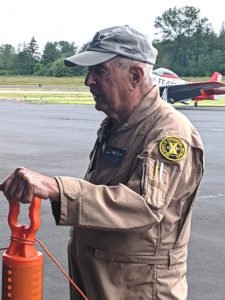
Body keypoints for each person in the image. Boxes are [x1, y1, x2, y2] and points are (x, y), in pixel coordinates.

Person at [0, 25, 204, 300]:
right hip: (103, 282)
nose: (88, 81)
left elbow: (144, 205)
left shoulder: (168, 133)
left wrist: (57, 188)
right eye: (89, 72)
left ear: (134, 75)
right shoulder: (119, 125)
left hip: (138, 290)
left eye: (100, 71)